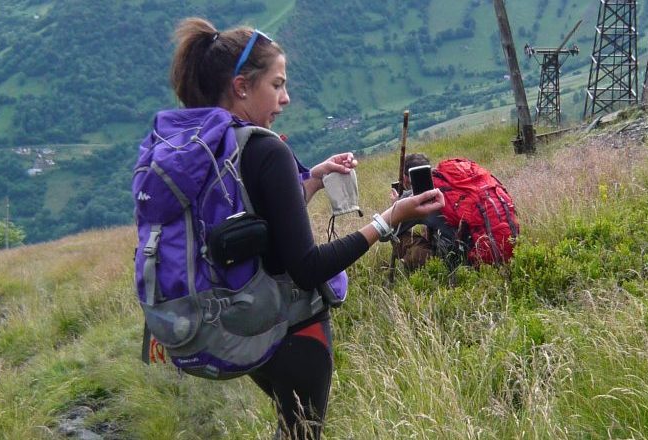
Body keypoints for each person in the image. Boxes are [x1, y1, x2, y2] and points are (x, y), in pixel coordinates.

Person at [167, 18, 444, 438]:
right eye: (277, 85)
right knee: (302, 431)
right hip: (293, 328)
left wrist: (313, 178)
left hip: (237, 324)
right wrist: (388, 219)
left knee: (288, 425)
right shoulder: (266, 150)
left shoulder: (207, 146)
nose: (286, 98)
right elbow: (307, 267)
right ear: (241, 87)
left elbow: (254, 226)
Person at [390, 153, 464, 271]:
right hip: (474, 252)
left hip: (448, 261)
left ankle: (426, 266)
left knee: (397, 235)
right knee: (428, 227)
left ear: (405, 178)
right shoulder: (452, 184)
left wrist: (395, 207)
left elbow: (385, 234)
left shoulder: (414, 197)